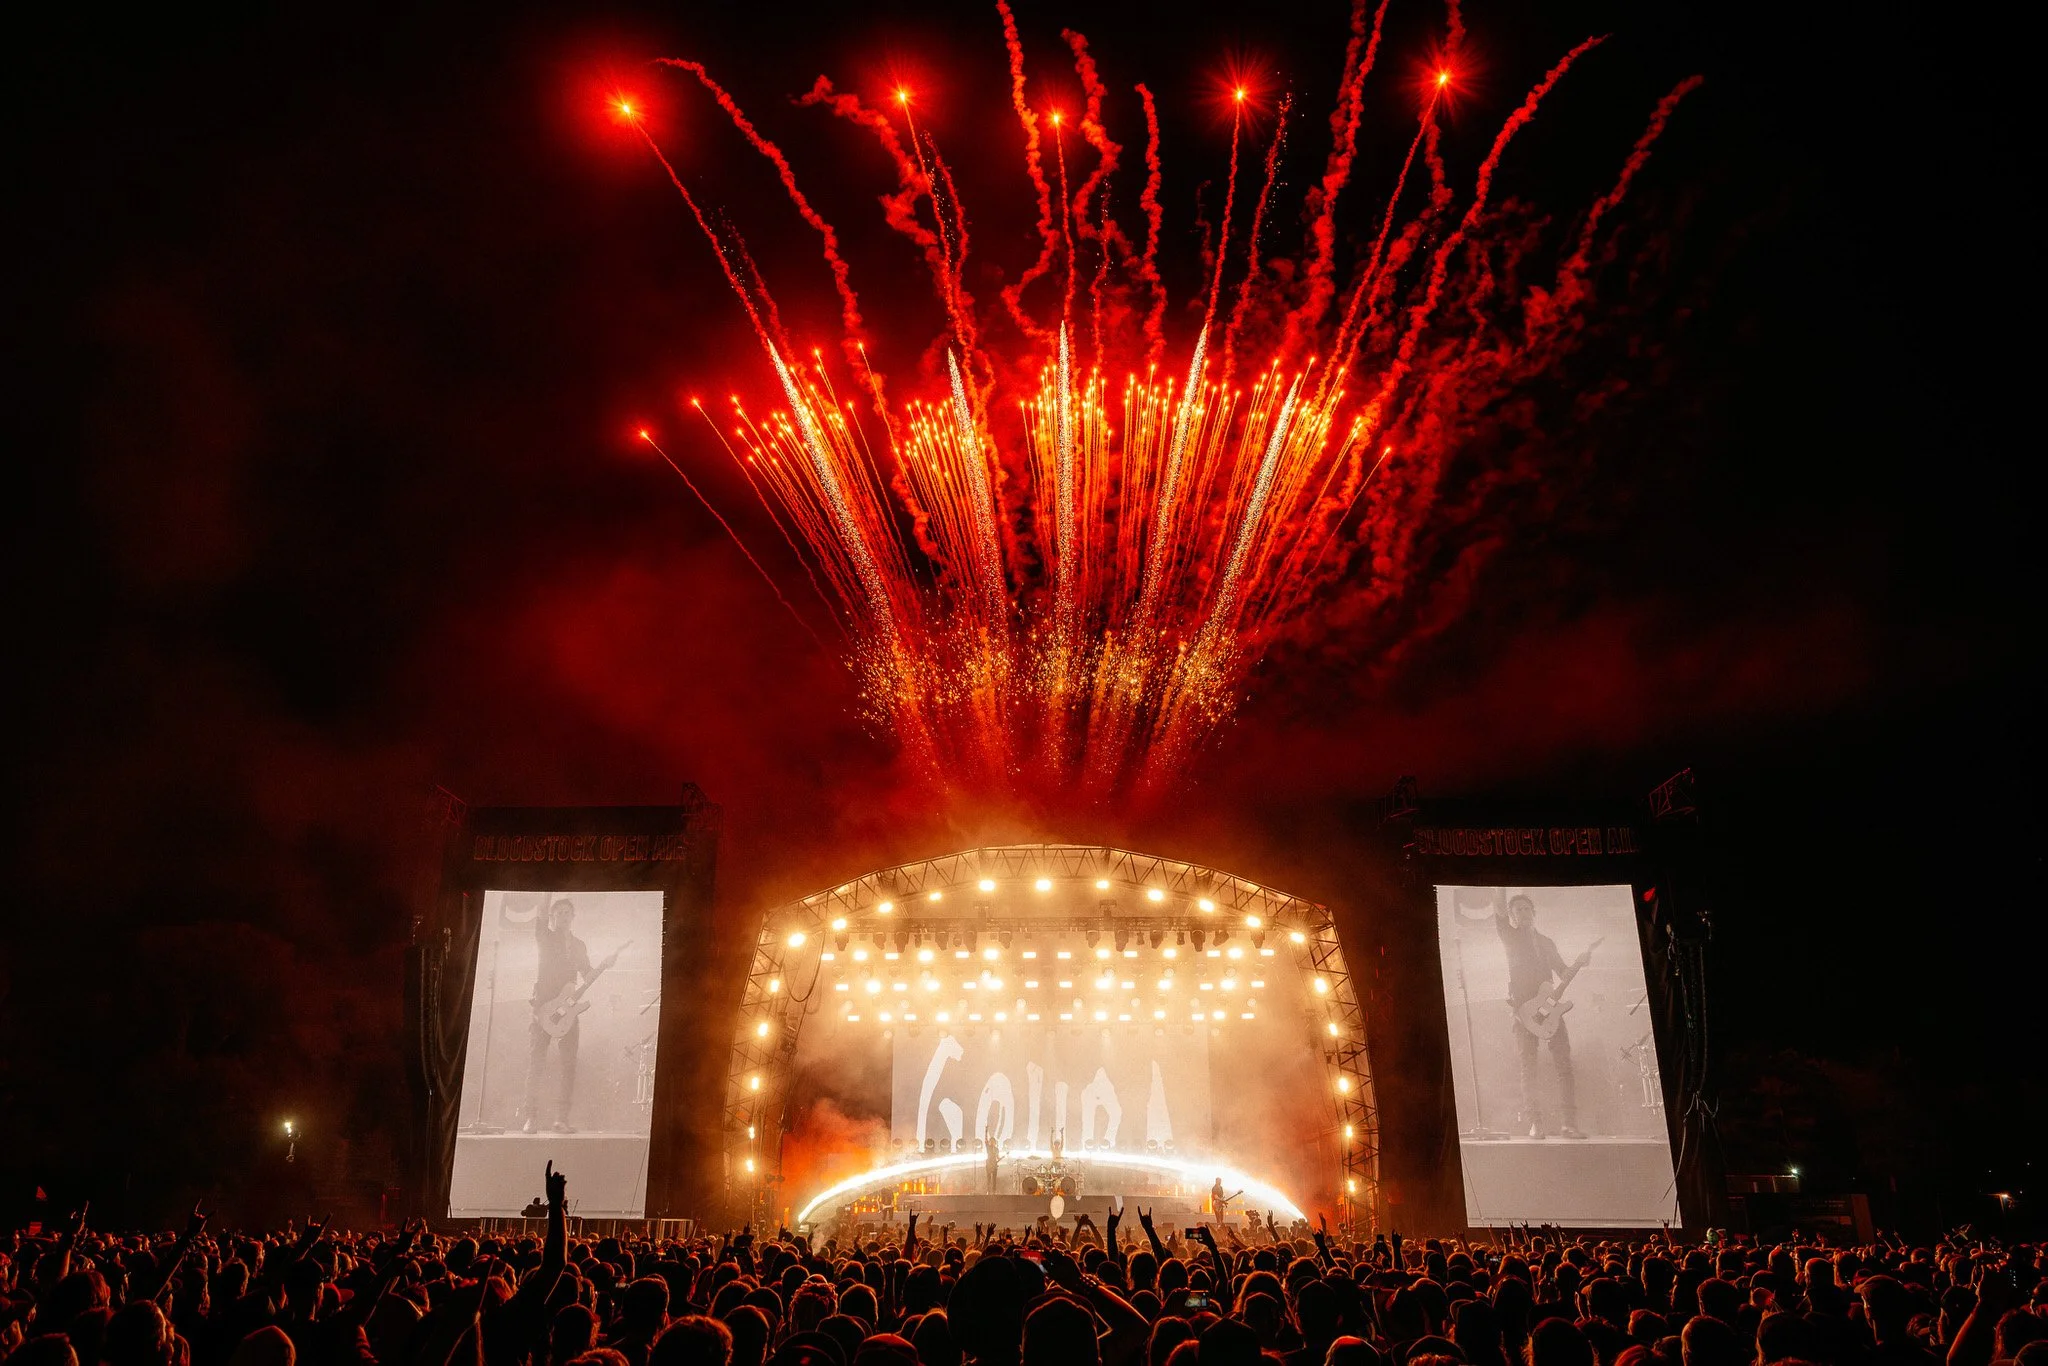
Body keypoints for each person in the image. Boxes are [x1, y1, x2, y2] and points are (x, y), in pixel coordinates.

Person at [1494, 893, 1591, 1140]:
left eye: (1527, 909)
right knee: (1530, 1069)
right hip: (1524, 1014)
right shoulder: (1510, 937)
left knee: (1564, 1066)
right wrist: (1497, 889)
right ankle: (1535, 1123)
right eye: (1517, 910)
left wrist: (1580, 963)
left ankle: (1568, 1124)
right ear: (1512, 916)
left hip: (1550, 1010)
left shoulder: (1547, 942)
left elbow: (1562, 971)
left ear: (1534, 913)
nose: (1523, 913)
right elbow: (1499, 913)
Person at [525, 897, 594, 1133]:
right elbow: (541, 912)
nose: (563, 916)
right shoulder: (545, 936)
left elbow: (587, 972)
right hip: (543, 1008)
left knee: (569, 1065)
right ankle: (531, 1118)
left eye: (567, 913)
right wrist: (546, 891)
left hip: (568, 1010)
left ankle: (561, 1119)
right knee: (537, 1064)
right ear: (553, 918)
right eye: (559, 913)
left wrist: (604, 967)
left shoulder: (579, 945)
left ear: (573, 917)